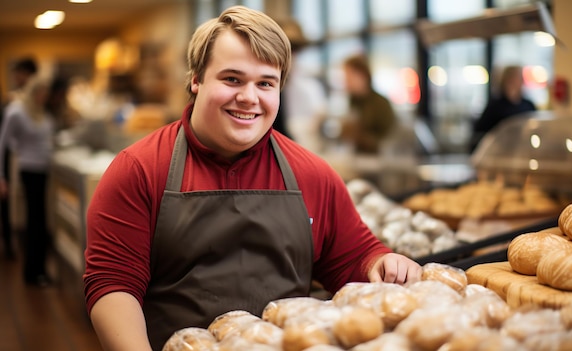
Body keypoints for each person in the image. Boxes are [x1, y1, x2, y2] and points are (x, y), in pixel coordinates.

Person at [83, 6, 422, 351]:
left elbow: (352, 258)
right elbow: (114, 284)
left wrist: (383, 264)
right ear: (196, 79)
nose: (249, 97)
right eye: (232, 79)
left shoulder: (313, 174)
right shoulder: (139, 170)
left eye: (265, 83)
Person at [0, 76, 55, 285]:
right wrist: (1, 177)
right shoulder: (16, 111)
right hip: (29, 170)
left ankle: (39, 269)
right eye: (41, 93)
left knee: (41, 221)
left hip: (44, 170)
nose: (44, 97)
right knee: (34, 221)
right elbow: (3, 142)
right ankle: (32, 272)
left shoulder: (41, 113)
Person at [0, 57, 39, 260]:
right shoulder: (15, 105)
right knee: (12, 204)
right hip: (16, 159)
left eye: (19, 73)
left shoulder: (35, 101)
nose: (16, 78)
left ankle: (16, 244)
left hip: (29, 161)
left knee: (24, 208)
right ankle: (10, 243)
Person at [274, 17, 328, 153]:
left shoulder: (306, 83)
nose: (291, 55)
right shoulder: (272, 84)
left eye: (294, 49)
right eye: (289, 48)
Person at [339, 54, 397, 154]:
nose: (345, 82)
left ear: (362, 75)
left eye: (348, 76)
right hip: (361, 157)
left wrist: (359, 136)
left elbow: (390, 141)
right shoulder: (354, 100)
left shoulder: (380, 104)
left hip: (380, 160)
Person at [470, 65, 536, 152]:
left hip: (523, 151)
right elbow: (481, 132)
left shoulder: (528, 104)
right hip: (500, 153)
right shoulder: (495, 106)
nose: (520, 81)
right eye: (516, 77)